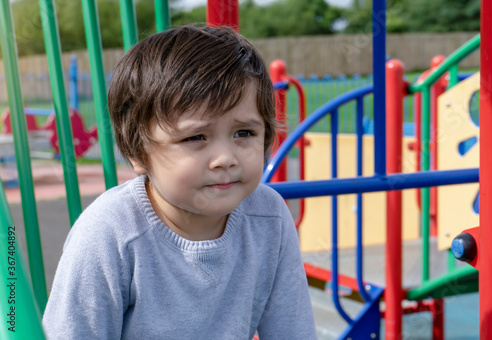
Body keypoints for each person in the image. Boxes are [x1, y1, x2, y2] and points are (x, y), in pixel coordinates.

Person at [42, 25, 317, 339]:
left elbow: (293, 331)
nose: (225, 158)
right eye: (196, 137)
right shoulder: (109, 234)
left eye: (244, 133)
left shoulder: (269, 217)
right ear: (138, 154)